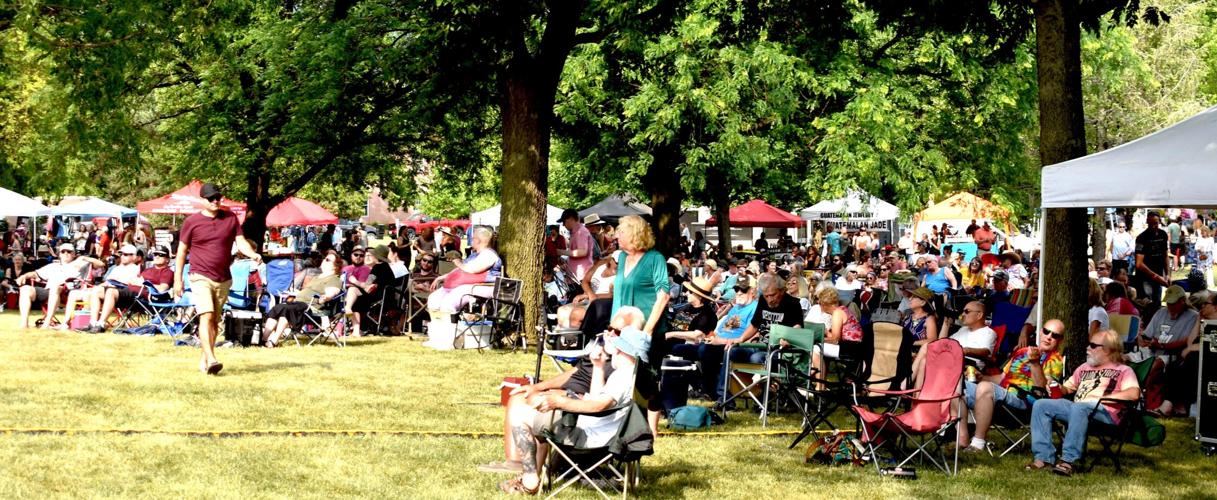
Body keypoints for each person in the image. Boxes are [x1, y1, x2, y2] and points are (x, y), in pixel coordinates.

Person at [495, 315, 650, 495]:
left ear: (624, 351)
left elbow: (599, 406)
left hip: (591, 438)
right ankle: (533, 475)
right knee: (540, 421)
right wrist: (598, 367)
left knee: (521, 416)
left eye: (617, 347)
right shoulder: (632, 374)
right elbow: (597, 399)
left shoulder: (622, 377)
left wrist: (560, 402)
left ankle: (530, 480)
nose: (613, 349)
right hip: (605, 432)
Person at [174, 183, 262, 376]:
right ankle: (213, 359)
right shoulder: (192, 222)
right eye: (211, 198)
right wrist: (177, 280)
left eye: (217, 198)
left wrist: (252, 254)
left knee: (214, 320)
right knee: (206, 315)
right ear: (202, 200)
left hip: (223, 278)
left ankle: (206, 356)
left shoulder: (230, 218)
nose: (215, 201)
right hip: (199, 276)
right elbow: (181, 252)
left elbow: (240, 242)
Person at [1028, 329, 1140, 477]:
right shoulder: (1084, 368)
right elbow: (1067, 389)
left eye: (1093, 345)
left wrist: (1105, 398)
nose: (1088, 348)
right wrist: (1055, 386)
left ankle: (1068, 461)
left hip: (1105, 412)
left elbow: (1134, 393)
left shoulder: (1123, 370)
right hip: (1078, 409)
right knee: (1041, 404)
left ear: (1107, 350)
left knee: (1079, 407)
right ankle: (1044, 458)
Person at [956, 318, 1064, 453]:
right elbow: (1002, 378)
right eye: (1047, 332)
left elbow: (1041, 390)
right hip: (1002, 395)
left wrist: (1035, 363)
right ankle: (962, 440)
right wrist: (981, 377)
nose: (1049, 337)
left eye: (1055, 335)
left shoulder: (1056, 360)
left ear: (1060, 340)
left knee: (985, 387)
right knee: (956, 383)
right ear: (1041, 332)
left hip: (1023, 403)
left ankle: (978, 443)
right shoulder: (1021, 352)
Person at [81, 245, 174, 333]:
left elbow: (162, 289)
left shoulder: (167, 272)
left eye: (161, 255)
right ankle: (93, 323)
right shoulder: (147, 270)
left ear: (167, 259)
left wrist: (144, 284)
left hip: (145, 298)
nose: (157, 256)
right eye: (155, 254)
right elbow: (136, 281)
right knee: (97, 290)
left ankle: (101, 324)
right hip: (130, 292)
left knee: (111, 292)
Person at [1137, 285, 1199, 415]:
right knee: (1124, 359)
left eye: (1173, 303)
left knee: (1154, 366)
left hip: (1171, 355)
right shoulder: (1161, 312)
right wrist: (1142, 339)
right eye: (1168, 303)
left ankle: (1147, 402)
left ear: (1182, 301)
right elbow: (1146, 335)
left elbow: (1187, 341)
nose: (1170, 306)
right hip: (1153, 350)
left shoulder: (1193, 316)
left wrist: (1162, 346)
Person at [16, 243, 106, 329]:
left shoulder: (81, 264)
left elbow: (101, 264)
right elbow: (35, 274)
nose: (66, 253)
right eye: (63, 251)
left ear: (74, 254)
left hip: (67, 293)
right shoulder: (53, 266)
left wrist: (84, 258)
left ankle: (47, 322)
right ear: (59, 254)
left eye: (69, 251)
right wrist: (24, 276)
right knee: (25, 289)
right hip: (49, 291)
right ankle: (24, 323)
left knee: (55, 287)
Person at [262, 252, 343, 347]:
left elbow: (332, 292)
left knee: (287, 309)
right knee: (278, 308)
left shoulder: (334, 279)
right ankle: (263, 340)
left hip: (313, 309)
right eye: (325, 258)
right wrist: (296, 293)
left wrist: (326, 297)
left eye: (328, 260)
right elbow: (306, 292)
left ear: (335, 266)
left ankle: (274, 341)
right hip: (299, 304)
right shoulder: (317, 277)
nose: (324, 260)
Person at [427, 226, 503, 313]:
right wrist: (441, 278)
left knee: (448, 304)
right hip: (458, 287)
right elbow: (461, 271)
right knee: (433, 299)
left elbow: (472, 269)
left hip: (479, 287)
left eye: (473, 238)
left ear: (478, 240)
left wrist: (458, 262)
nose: (471, 240)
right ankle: (438, 323)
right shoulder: (475, 254)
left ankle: (450, 324)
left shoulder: (489, 254)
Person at [345, 245, 397, 336]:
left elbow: (367, 285)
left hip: (377, 297)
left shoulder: (377, 268)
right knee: (355, 294)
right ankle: (359, 328)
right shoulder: (388, 268)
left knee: (354, 294)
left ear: (376, 256)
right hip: (387, 298)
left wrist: (355, 281)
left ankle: (355, 328)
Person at [1135, 211, 1171, 320]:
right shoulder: (1141, 238)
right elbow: (1139, 264)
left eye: (1156, 223)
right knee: (1148, 304)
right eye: (1151, 224)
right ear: (1147, 222)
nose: (1153, 226)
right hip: (1145, 277)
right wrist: (1155, 276)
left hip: (1159, 274)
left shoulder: (1162, 234)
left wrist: (1168, 274)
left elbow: (1165, 255)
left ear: (1159, 222)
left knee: (1157, 303)